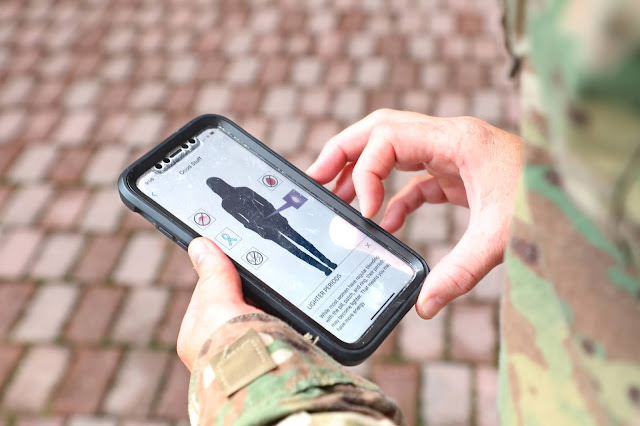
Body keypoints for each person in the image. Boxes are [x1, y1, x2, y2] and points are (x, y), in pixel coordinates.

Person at [177, 0, 640, 424]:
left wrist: (236, 362)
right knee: (303, 255)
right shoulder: (227, 200)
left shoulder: (234, 193)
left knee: (312, 252)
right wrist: (545, 186)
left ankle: (327, 268)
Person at [207, 176, 338, 276]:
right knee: (294, 249)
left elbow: (266, 203)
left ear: (221, 183)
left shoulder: (242, 190)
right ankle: (323, 268)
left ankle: (327, 262)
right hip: (264, 227)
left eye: (216, 185)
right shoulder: (226, 203)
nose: (217, 188)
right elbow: (244, 222)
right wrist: (258, 230)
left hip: (273, 219)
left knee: (301, 242)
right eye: (214, 187)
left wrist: (278, 216)